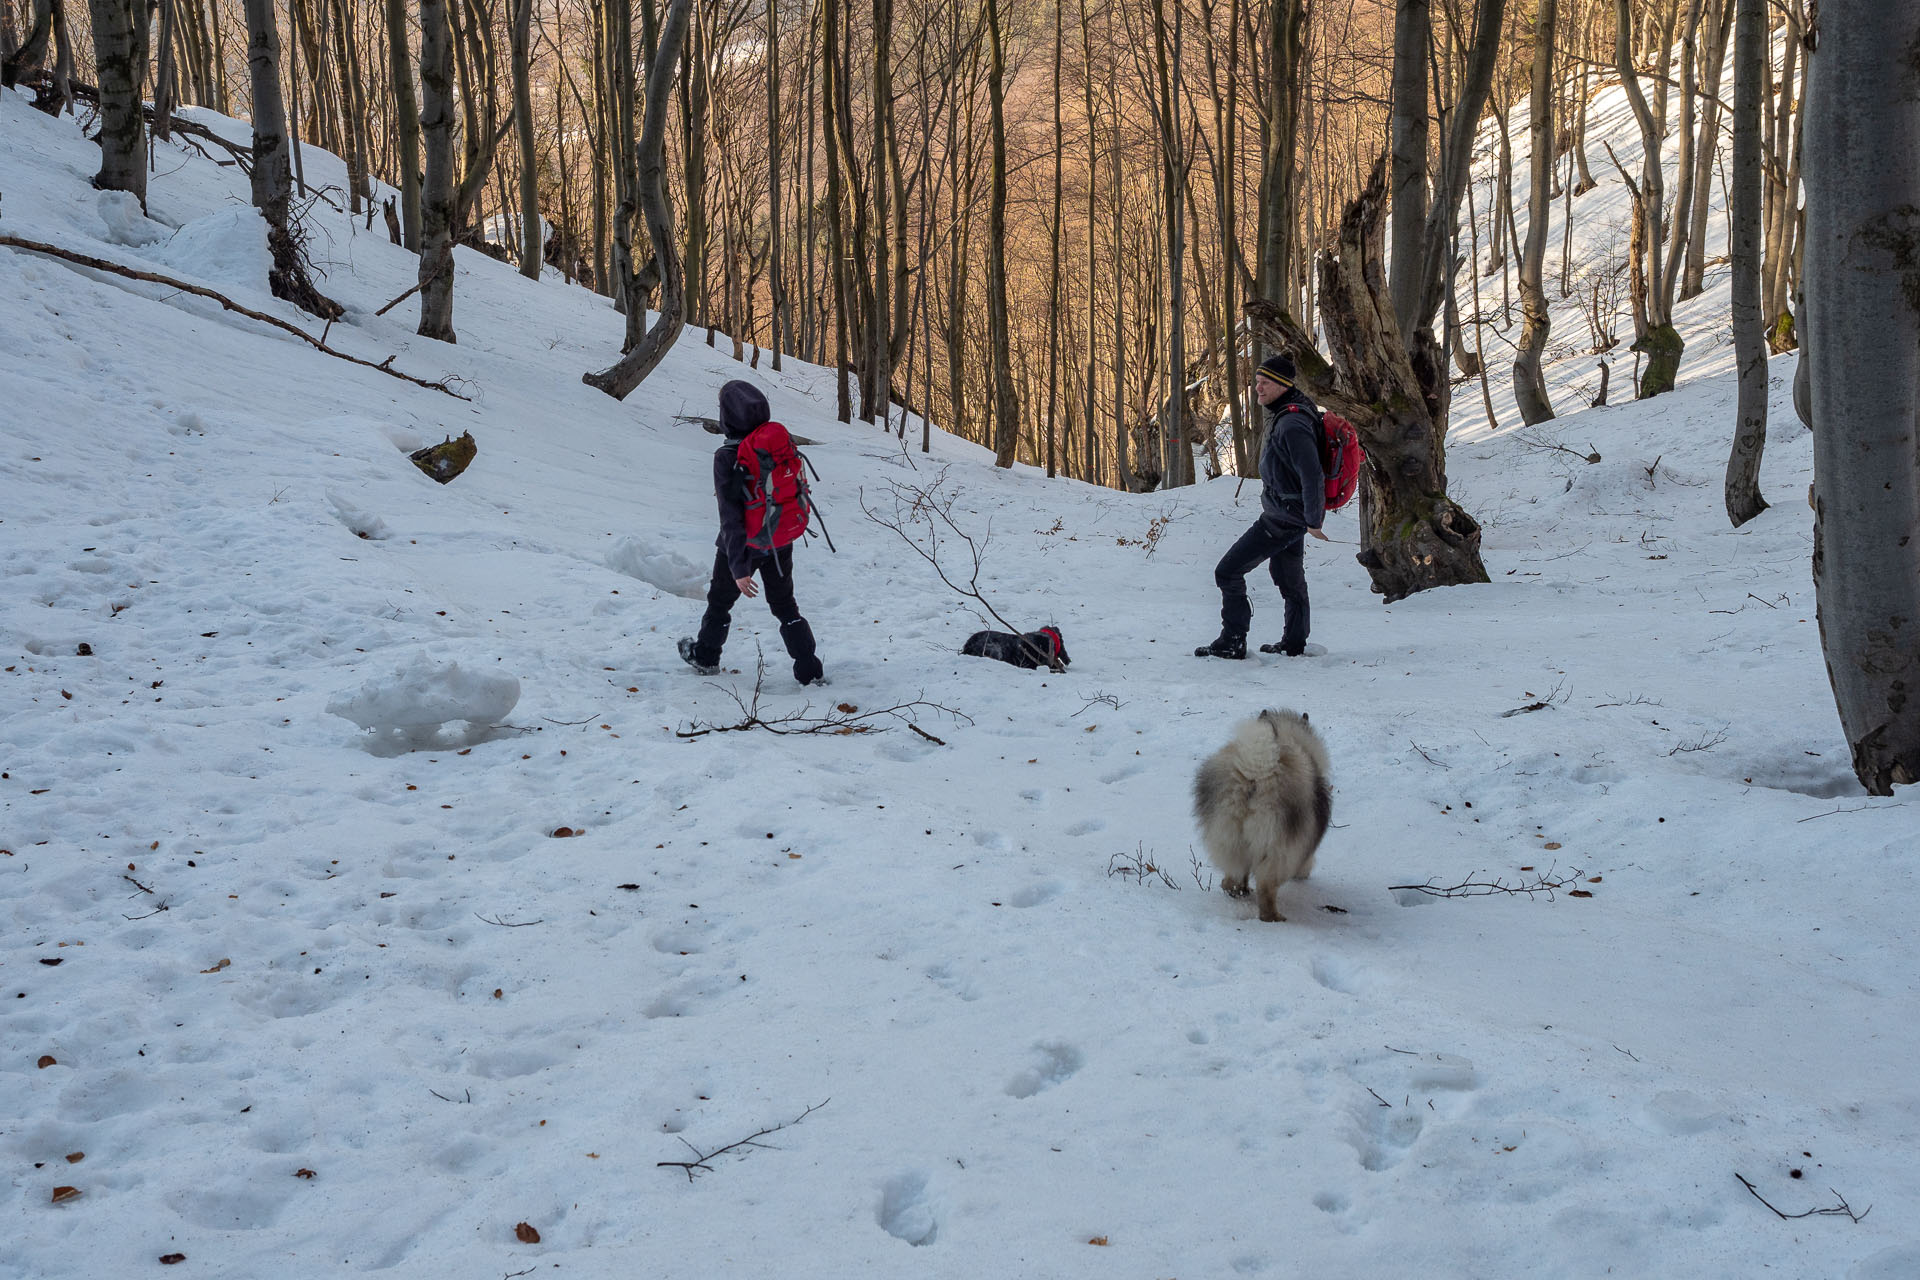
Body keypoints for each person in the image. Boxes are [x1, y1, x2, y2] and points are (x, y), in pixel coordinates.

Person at [678, 380, 827, 685]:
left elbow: (730, 518)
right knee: (785, 605)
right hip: (779, 539)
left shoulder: (726, 457)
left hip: (743, 546)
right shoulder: (776, 444)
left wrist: (738, 567)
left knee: (720, 602)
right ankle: (809, 668)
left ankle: (705, 657)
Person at [1195, 353, 1330, 660]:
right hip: (1288, 514)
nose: (1258, 388)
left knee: (1227, 572)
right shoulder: (1291, 412)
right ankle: (1294, 643)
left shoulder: (1292, 423)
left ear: (1283, 385)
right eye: (1256, 382)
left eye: (1265, 383)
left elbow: (1312, 474)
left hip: (1283, 519)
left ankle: (1233, 640)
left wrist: (1313, 519)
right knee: (1288, 576)